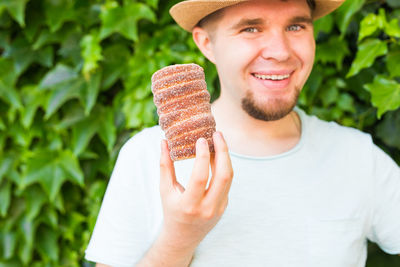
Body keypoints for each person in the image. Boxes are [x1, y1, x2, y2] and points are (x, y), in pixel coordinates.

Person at [85, 0, 400, 266]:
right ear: (206, 43)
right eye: (251, 28)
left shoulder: (358, 157)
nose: (280, 52)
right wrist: (180, 236)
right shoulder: (148, 156)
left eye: (296, 26)